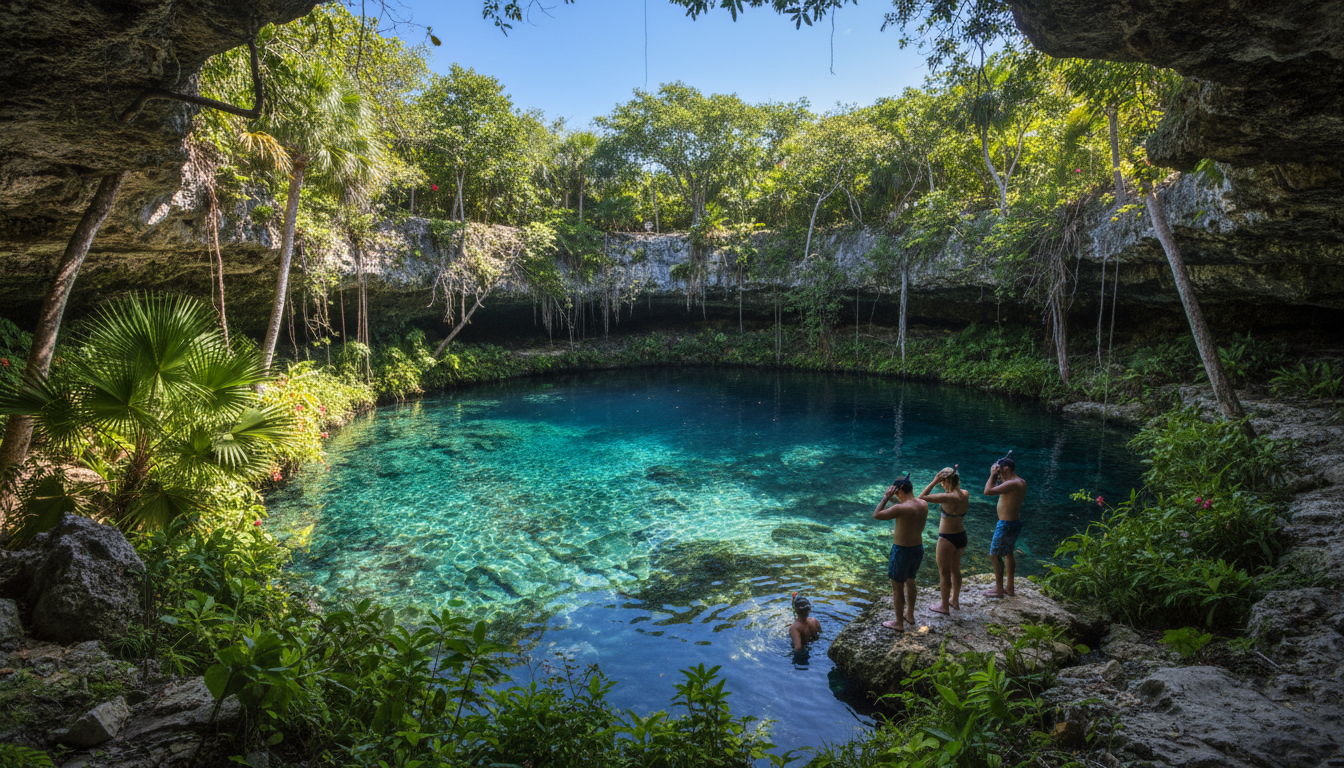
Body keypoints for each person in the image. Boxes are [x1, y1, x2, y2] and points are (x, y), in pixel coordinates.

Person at [873, 473, 929, 631]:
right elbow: (903, 504)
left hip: (902, 550)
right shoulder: (923, 504)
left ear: (900, 490)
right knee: (911, 581)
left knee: (897, 588)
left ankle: (898, 623)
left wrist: (885, 497)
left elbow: (877, 514)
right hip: (918, 548)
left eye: (896, 493)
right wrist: (894, 496)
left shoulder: (900, 508)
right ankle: (909, 615)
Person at [918, 465, 969, 614]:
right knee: (955, 569)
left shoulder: (947, 497)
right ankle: (955, 601)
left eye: (941, 481)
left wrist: (934, 481)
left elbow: (921, 498)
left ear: (944, 481)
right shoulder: (965, 493)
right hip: (961, 536)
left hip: (947, 538)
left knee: (944, 573)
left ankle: (944, 606)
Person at [983, 455, 1026, 598]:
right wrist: (997, 476)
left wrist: (992, 474)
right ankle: (1010, 587)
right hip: (1014, 522)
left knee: (994, 555)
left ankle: (999, 590)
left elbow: (988, 491)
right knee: (1008, 553)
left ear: (1006, 469)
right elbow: (998, 487)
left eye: (1001, 472)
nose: (999, 475)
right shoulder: (1020, 482)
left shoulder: (1012, 483)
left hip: (1006, 524)